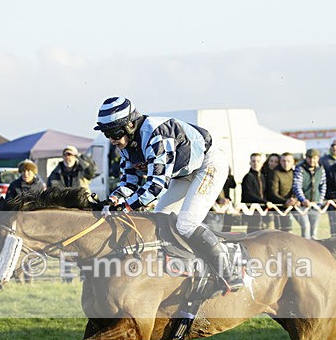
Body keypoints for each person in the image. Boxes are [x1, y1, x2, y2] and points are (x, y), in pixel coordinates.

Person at [95, 96, 243, 291]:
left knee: (186, 224)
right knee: (160, 219)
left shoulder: (156, 135)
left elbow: (157, 185)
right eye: (107, 134)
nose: (112, 140)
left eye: (114, 133)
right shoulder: (125, 146)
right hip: (184, 173)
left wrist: (127, 206)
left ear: (130, 125)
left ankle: (229, 270)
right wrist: (113, 200)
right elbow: (129, 183)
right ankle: (179, 273)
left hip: (208, 165)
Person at [292, 149, 326, 239]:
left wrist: (320, 201)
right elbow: (297, 186)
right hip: (302, 205)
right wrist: (303, 200)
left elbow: (323, 185)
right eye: (309, 158)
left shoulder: (321, 169)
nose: (312, 160)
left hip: (315, 205)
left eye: (314, 158)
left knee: (314, 231)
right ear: (306, 158)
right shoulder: (300, 168)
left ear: (318, 158)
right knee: (306, 227)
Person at [266, 152, 297, 232]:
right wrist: (285, 201)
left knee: (290, 231)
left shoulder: (295, 173)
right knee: (276, 233)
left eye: (288, 161)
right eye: (283, 161)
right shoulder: (275, 174)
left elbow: (297, 188)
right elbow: (273, 193)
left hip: (291, 207)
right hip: (277, 208)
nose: (286, 163)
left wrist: (296, 199)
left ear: (293, 162)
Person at [240, 152, 269, 233]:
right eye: (253, 161)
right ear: (250, 163)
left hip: (262, 211)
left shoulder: (263, 177)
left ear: (262, 163)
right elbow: (248, 195)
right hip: (252, 212)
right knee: (253, 234)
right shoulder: (248, 177)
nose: (255, 163)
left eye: (258, 161)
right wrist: (264, 202)